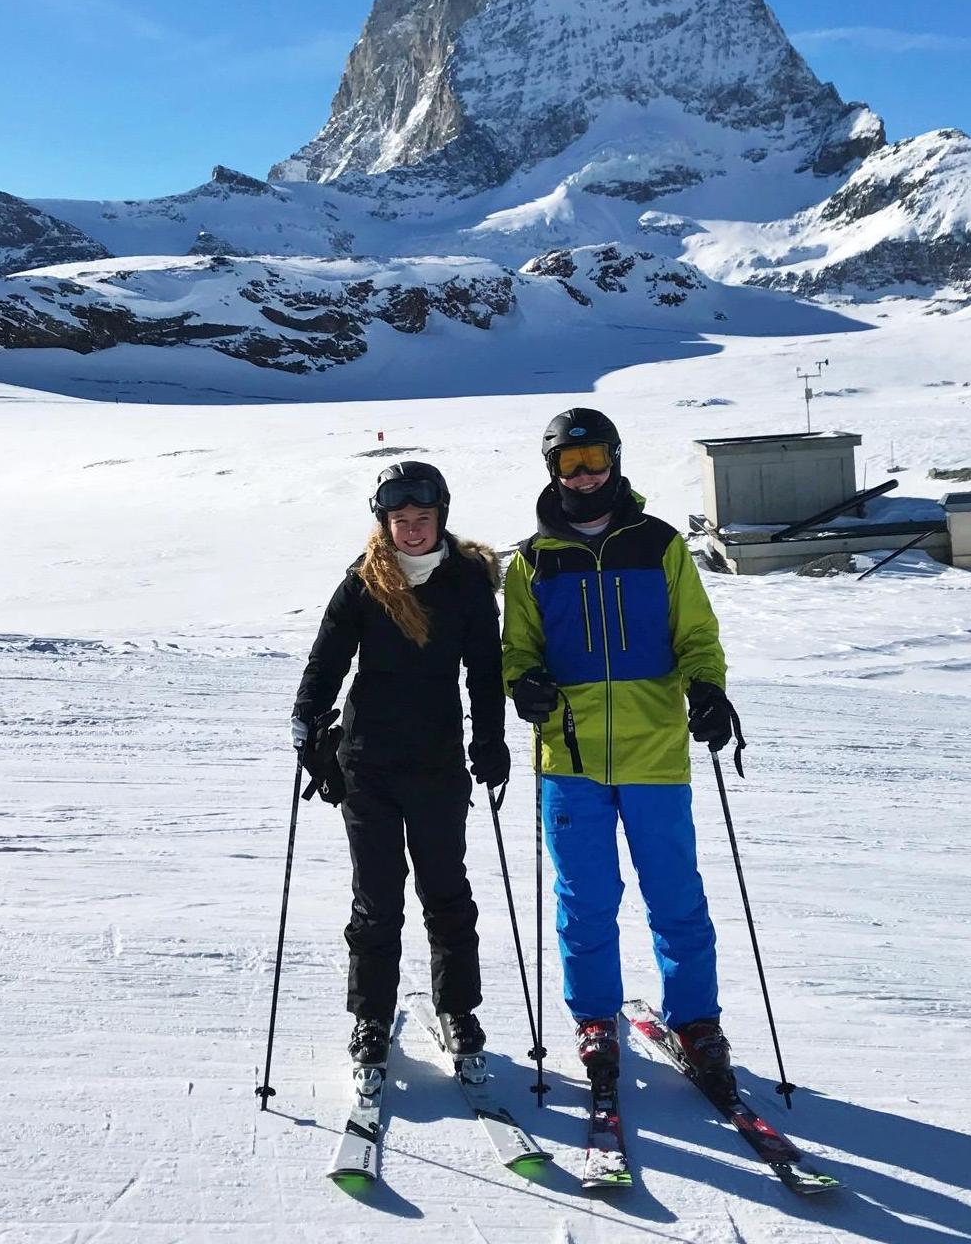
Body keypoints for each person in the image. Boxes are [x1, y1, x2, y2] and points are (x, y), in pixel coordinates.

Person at [500, 408, 742, 1091]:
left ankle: (695, 1022)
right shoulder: (532, 561)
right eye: (571, 464)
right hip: (568, 760)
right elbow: (517, 650)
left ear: (615, 458)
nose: (585, 475)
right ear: (554, 470)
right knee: (585, 899)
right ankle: (595, 1021)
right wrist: (525, 687)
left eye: (595, 459)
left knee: (675, 898)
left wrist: (707, 690)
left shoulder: (659, 545)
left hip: (656, 750)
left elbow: (696, 634)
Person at [292, 460, 510, 1072]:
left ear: (441, 516)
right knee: (377, 899)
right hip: (368, 763)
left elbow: (485, 671)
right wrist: (307, 718)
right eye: (400, 520)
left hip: (439, 762)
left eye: (422, 519)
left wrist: (490, 740)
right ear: (384, 523)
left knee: (446, 892)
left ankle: (459, 1009)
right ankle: (371, 1016)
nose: (412, 531)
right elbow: (327, 656)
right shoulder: (365, 580)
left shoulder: (467, 580)